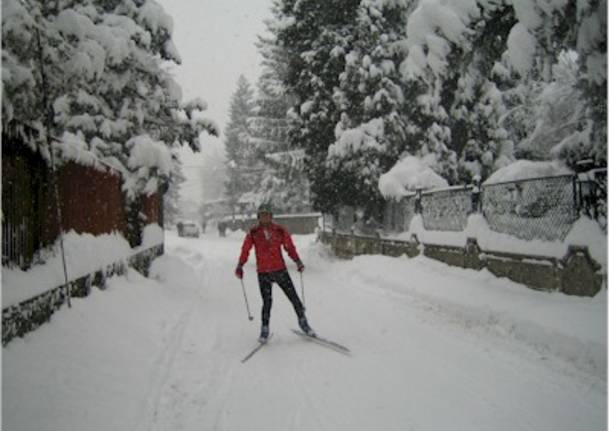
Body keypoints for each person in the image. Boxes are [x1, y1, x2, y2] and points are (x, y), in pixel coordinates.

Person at [234, 203, 314, 342]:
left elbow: (289, 247)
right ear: (259, 217)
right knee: (267, 302)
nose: (265, 217)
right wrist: (240, 265)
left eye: (267, 215)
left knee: (294, 297)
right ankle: (264, 329)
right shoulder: (253, 232)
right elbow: (245, 249)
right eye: (262, 215)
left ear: (271, 216)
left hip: (280, 270)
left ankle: (304, 323)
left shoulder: (279, 230)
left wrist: (298, 261)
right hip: (263, 272)